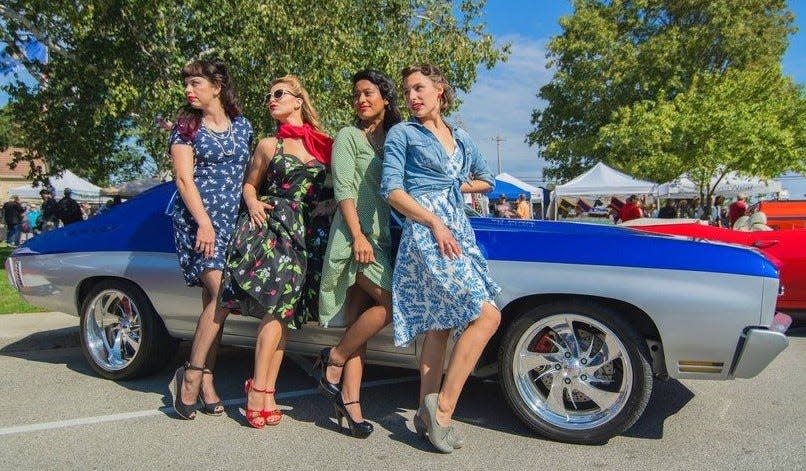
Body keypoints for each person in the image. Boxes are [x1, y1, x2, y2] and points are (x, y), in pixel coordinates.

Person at [380, 64, 501, 453]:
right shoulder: (403, 133)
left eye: (419, 88)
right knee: (487, 315)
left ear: (439, 90)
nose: (413, 97)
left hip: (456, 227)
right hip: (426, 229)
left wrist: (454, 185)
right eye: (408, 91)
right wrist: (433, 218)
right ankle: (443, 411)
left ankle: (423, 412)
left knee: (440, 325)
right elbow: (391, 190)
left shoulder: (460, 137)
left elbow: (488, 179)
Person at [221, 75, 332, 428]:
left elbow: (338, 190)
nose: (271, 99)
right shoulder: (269, 144)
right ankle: (257, 390)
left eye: (279, 94)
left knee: (285, 315)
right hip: (272, 227)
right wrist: (253, 203)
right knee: (275, 307)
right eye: (268, 95)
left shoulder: (323, 146)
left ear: (298, 100)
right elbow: (249, 185)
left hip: (306, 233)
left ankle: (268, 391)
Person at [315, 69, 402, 438]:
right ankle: (332, 359)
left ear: (385, 97)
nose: (361, 100)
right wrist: (357, 236)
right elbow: (345, 190)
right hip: (356, 239)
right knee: (394, 305)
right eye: (357, 95)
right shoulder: (349, 136)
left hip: (379, 239)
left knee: (358, 327)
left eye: (368, 93)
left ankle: (350, 404)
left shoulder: (394, 140)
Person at [167, 58, 254, 421]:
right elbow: (184, 181)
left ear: (217, 86)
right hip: (198, 221)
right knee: (221, 294)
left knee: (212, 304)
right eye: (186, 83)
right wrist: (203, 222)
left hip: (232, 222)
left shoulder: (244, 125)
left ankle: (206, 381)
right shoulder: (186, 127)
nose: (189, 89)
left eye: (196, 82)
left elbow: (250, 174)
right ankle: (190, 376)